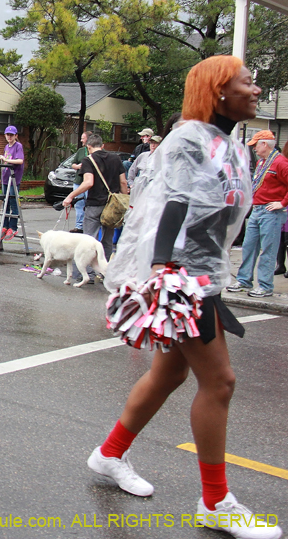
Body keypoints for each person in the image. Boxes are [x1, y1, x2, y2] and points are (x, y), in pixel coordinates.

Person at [95, 55, 282, 539]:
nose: (257, 90)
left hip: (205, 276)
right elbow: (173, 203)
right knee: (219, 381)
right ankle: (216, 501)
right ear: (219, 90)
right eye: (248, 82)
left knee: (170, 372)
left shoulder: (232, 146)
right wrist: (162, 270)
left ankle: (109, 453)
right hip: (182, 277)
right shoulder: (188, 139)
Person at [226, 130, 288, 298]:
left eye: (255, 145)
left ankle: (265, 285)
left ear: (264, 144)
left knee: (268, 249)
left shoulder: (280, 162)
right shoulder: (263, 162)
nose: (254, 149)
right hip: (258, 209)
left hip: (271, 211)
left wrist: (282, 203)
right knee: (248, 245)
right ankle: (244, 280)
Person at [63, 133, 127, 269]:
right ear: (102, 146)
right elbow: (123, 182)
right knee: (107, 240)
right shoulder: (116, 159)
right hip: (112, 206)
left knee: (89, 240)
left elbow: (88, 183)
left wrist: (71, 196)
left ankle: (88, 274)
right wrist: (125, 200)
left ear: (88, 147)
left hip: (95, 204)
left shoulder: (88, 160)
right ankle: (105, 271)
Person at [0, 125, 24, 241]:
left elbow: (20, 160)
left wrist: (7, 160)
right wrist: (2, 158)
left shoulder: (18, 146)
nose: (9, 137)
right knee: (5, 202)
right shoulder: (6, 146)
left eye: (11, 135)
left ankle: (13, 226)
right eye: (7, 135)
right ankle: (5, 225)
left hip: (14, 178)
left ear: (16, 136)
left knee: (13, 201)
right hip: (5, 177)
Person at [69, 132, 89, 233]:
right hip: (79, 181)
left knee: (89, 204)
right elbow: (73, 164)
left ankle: (88, 226)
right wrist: (77, 166)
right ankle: (79, 226)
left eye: (83, 138)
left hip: (89, 182)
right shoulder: (81, 151)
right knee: (78, 204)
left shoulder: (94, 151)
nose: (81, 140)